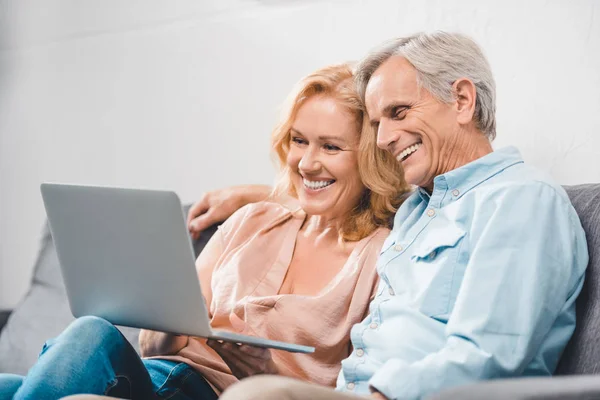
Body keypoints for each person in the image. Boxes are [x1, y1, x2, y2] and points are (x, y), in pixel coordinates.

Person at [189, 32, 589, 400]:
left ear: (463, 101)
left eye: (398, 112)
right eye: (377, 123)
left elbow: (488, 355)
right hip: (351, 393)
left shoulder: (520, 200)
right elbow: (339, 196)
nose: (382, 139)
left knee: (253, 397)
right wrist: (256, 197)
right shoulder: (419, 209)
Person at [0, 64, 410, 400]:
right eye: (299, 141)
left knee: (89, 334)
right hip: (151, 377)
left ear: (372, 158)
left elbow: (355, 385)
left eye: (331, 147)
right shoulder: (251, 221)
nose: (306, 162)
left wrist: (263, 371)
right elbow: (154, 347)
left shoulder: (383, 256)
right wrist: (169, 326)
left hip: (212, 393)